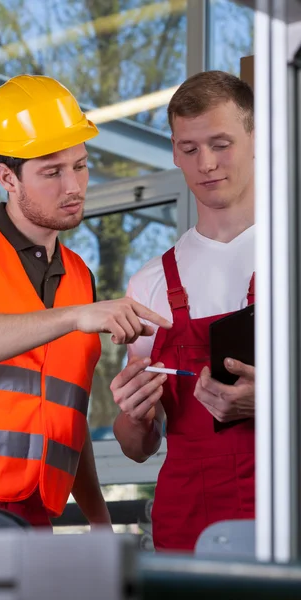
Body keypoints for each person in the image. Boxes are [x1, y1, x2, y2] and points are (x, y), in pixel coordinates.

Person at [0, 75, 170, 529]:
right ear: (7, 176)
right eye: (52, 171)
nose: (74, 186)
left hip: (32, 512)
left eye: (80, 166)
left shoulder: (79, 276)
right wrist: (76, 315)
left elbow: (63, 415)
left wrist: (100, 520)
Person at [111, 70, 255, 551]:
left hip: (282, 512)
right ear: (174, 152)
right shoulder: (150, 282)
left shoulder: (291, 255)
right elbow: (138, 447)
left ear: (256, 139)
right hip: (187, 522)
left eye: (221, 143)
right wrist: (133, 417)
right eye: (189, 149)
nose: (207, 163)